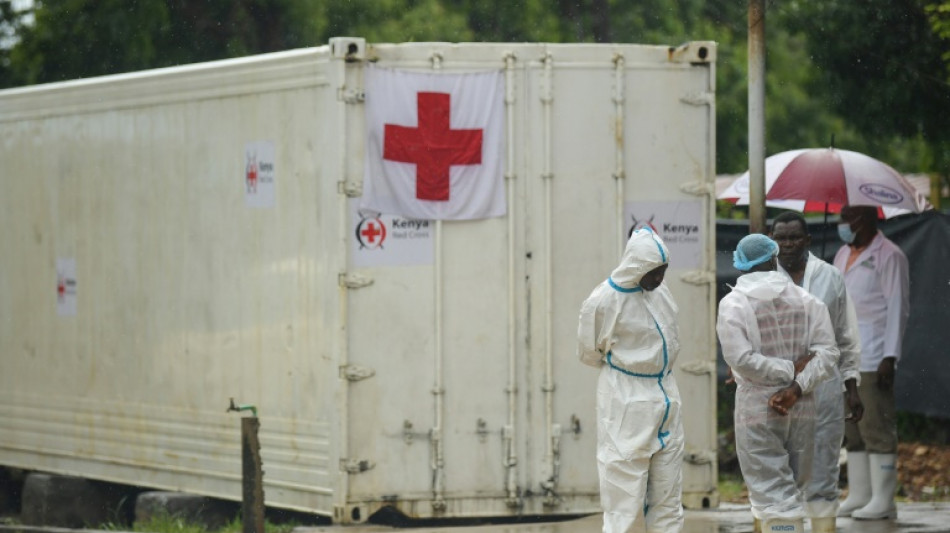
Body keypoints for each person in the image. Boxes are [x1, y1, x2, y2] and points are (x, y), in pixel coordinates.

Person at [717, 234, 838, 533]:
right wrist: (795, 385)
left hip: (759, 407)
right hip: (803, 404)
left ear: (741, 264)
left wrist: (785, 374)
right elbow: (828, 353)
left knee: (771, 491)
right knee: (794, 487)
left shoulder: (734, 304)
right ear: (773, 258)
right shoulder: (807, 300)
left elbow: (741, 359)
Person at [577, 226, 684, 533]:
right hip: (625, 401)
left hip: (666, 396)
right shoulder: (603, 301)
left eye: (663, 271)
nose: (659, 278)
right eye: (654, 272)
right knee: (624, 494)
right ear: (637, 267)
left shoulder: (659, 293)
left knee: (668, 493)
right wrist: (629, 370)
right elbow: (588, 352)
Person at [770, 211, 863, 533]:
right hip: (779, 386)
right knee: (782, 466)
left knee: (824, 466)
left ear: (808, 240)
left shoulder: (830, 276)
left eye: (794, 237)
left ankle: (823, 527)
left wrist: (851, 386)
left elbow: (845, 334)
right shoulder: (764, 279)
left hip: (824, 386)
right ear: (772, 241)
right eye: (781, 238)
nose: (788, 244)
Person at [833, 204, 909, 520]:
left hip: (873, 354)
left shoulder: (890, 256)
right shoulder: (840, 254)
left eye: (846, 218)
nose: (841, 224)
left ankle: (884, 498)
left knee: (875, 426)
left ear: (864, 219)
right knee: (852, 429)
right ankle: (861, 493)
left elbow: (898, 307)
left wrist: (890, 356)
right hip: (843, 355)